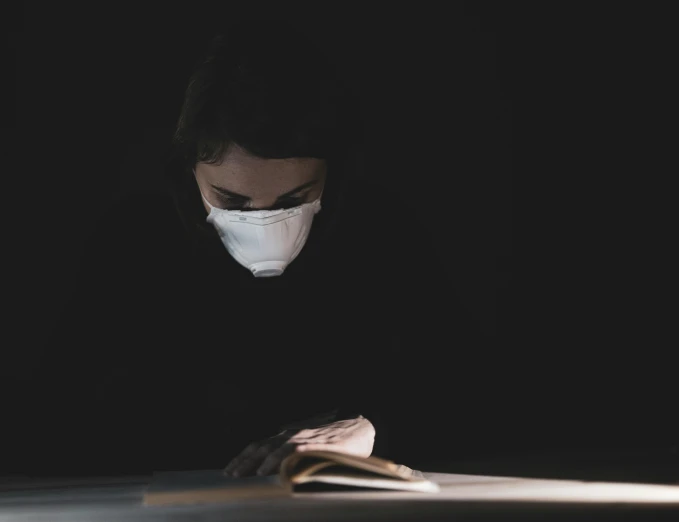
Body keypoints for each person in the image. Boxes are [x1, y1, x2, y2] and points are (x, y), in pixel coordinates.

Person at [34, 18, 488, 478]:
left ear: (332, 173)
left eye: (294, 200)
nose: (264, 223)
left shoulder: (381, 235)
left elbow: (468, 395)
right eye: (232, 200)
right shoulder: (134, 245)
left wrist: (373, 428)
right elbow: (55, 422)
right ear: (189, 169)